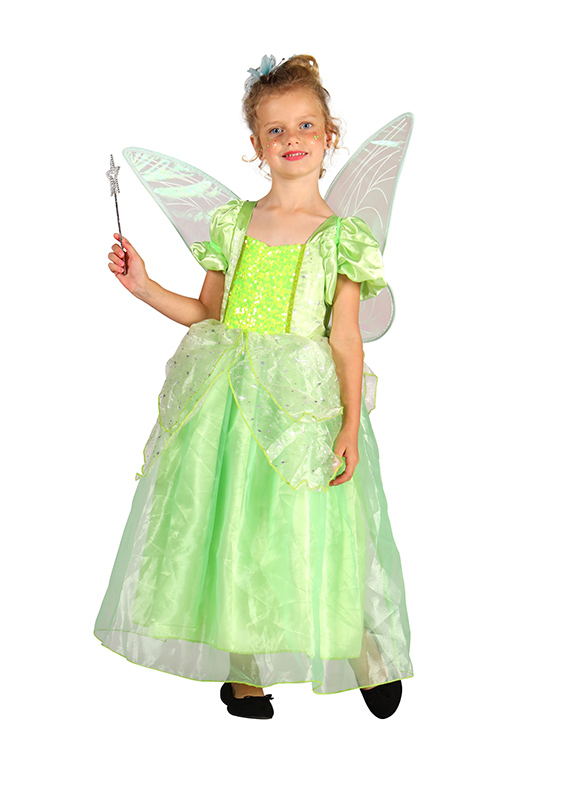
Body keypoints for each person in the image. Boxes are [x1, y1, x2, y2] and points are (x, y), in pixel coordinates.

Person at [95, 54, 413, 720]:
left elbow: (345, 340)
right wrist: (145, 286)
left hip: (302, 408)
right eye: (275, 130)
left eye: (305, 125)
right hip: (228, 403)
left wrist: (350, 425)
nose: (291, 138)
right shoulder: (233, 224)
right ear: (255, 145)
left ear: (329, 134)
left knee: (315, 529)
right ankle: (245, 674)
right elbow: (209, 313)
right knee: (233, 529)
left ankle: (361, 650)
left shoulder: (341, 239)